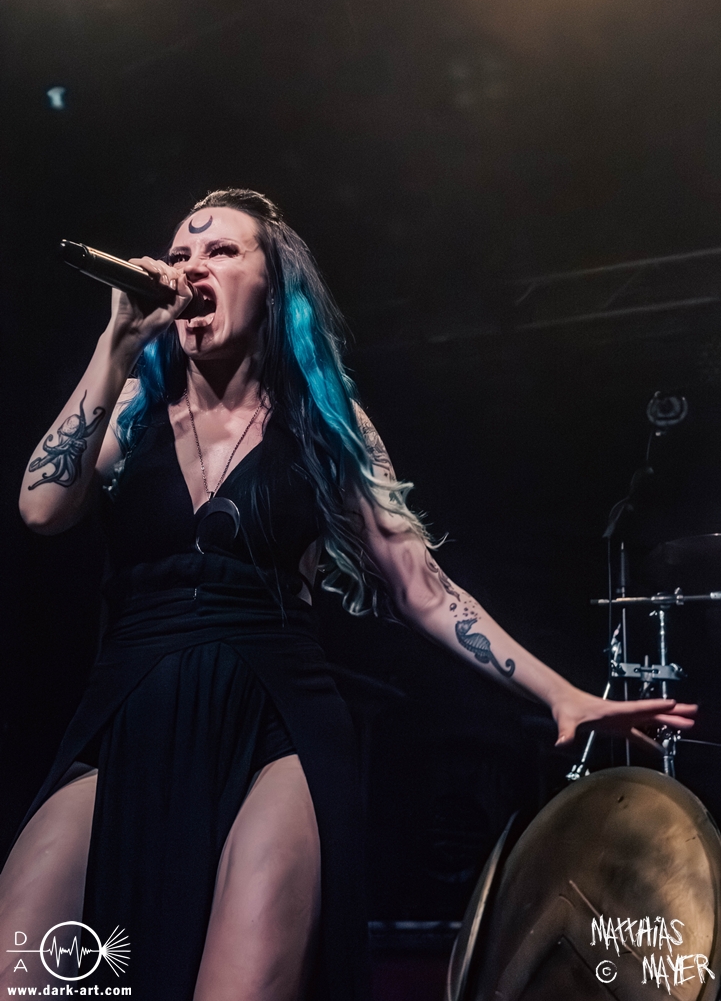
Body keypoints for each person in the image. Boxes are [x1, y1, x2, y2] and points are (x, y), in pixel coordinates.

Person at [1, 189, 696, 1001]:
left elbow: (422, 588)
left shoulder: (327, 424)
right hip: (129, 707)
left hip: (276, 717)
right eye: (181, 254)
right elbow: (41, 508)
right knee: (27, 973)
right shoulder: (132, 408)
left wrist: (560, 694)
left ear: (272, 284)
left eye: (221, 252)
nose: (191, 269)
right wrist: (114, 347)